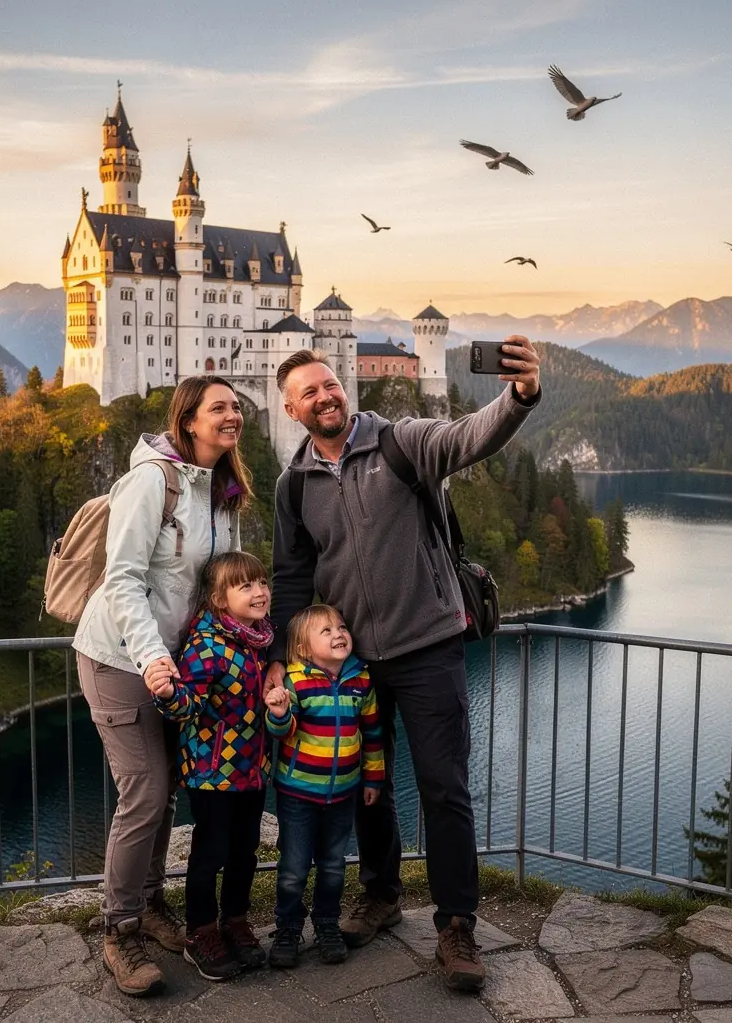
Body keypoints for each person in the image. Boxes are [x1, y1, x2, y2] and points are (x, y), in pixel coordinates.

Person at [267, 338, 541, 992]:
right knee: (370, 783)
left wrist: (521, 397)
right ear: (290, 409)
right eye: (310, 392)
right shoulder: (293, 486)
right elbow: (291, 577)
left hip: (427, 647)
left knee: (444, 787)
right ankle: (383, 893)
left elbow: (470, 436)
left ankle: (456, 927)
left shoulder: (400, 442)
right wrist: (284, 661)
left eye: (331, 384)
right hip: (352, 660)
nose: (326, 396)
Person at [72, 375, 251, 997]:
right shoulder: (152, 481)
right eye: (219, 408)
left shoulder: (224, 491)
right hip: (120, 658)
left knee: (168, 784)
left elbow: (219, 590)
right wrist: (152, 656)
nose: (233, 417)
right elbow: (122, 580)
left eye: (237, 408)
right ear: (188, 419)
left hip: (181, 669)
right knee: (145, 789)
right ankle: (118, 929)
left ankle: (149, 903)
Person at [147, 551, 273, 982]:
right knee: (210, 855)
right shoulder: (205, 646)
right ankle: (201, 932)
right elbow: (188, 704)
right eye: (245, 586)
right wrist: (168, 694)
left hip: (252, 771)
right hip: (212, 774)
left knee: (245, 853)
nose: (259, 592)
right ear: (219, 599)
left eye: (261, 582)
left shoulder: (259, 639)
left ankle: (235, 922)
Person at [263, 604, 384, 969]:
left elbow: (373, 733)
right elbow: (280, 732)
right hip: (298, 793)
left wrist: (373, 777)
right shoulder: (295, 682)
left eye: (341, 627)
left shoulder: (361, 680)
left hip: (344, 793)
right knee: (295, 865)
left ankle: (327, 924)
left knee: (333, 865)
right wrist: (280, 712)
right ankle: (288, 927)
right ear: (302, 647)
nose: (338, 634)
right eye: (326, 631)